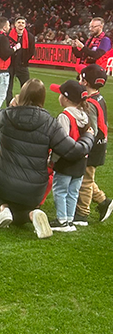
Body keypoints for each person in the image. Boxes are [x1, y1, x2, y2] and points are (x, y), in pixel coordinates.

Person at [0, 78, 93, 238]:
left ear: (23, 95)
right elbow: (74, 151)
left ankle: (4, 208)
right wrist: (88, 136)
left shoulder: (6, 116)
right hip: (34, 190)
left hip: (3, 183)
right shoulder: (50, 123)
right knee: (25, 204)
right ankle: (32, 214)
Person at [49, 80, 93, 231]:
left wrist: (52, 160)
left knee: (60, 190)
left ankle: (62, 221)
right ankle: (69, 219)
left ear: (66, 99)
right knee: (73, 191)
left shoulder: (65, 116)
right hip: (81, 161)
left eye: (60, 94)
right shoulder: (85, 115)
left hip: (65, 161)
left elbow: (61, 142)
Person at [75, 63, 113, 225]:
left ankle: (82, 213)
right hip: (99, 144)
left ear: (85, 82)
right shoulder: (98, 97)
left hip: (92, 145)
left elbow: (92, 128)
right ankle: (104, 202)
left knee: (85, 181)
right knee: (86, 177)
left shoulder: (89, 103)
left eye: (81, 77)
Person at [6, 16, 36, 104]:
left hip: (22, 65)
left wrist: (24, 61)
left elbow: (31, 51)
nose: (20, 24)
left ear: (25, 25)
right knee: (8, 88)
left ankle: (25, 105)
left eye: (23, 23)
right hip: (10, 65)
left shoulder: (30, 37)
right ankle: (9, 105)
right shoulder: (8, 36)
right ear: (15, 24)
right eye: (19, 22)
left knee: (26, 87)